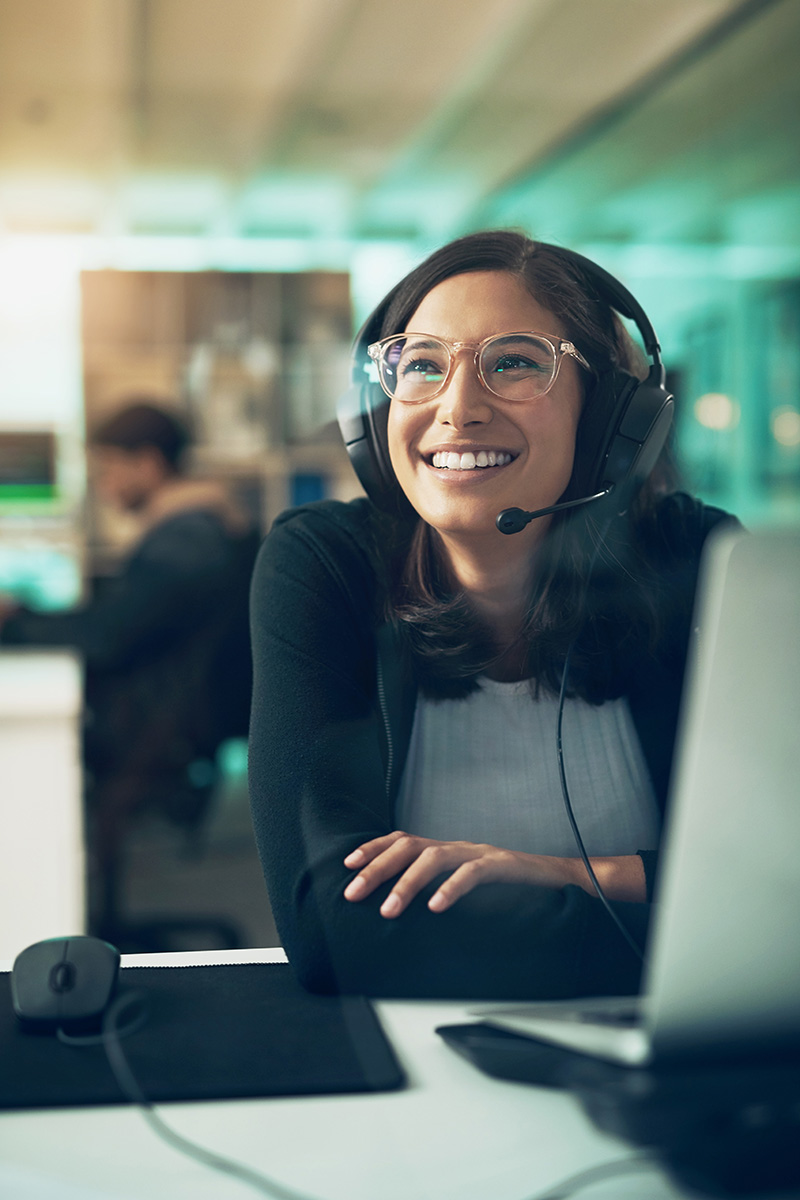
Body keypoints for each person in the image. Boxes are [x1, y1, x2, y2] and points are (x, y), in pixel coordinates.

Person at [247, 231, 735, 1000]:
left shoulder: (700, 561)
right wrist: (650, 898)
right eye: (421, 367)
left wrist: (551, 874)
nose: (458, 408)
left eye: (514, 362)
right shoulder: (326, 567)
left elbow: (773, 888)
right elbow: (331, 935)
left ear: (613, 419)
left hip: (671, 1060)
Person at [0, 401, 259, 937]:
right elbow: (116, 623)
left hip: (155, 738)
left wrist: (15, 622)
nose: (103, 485)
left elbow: (107, 637)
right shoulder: (196, 526)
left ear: (147, 463)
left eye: (108, 469)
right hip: (167, 726)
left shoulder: (185, 540)